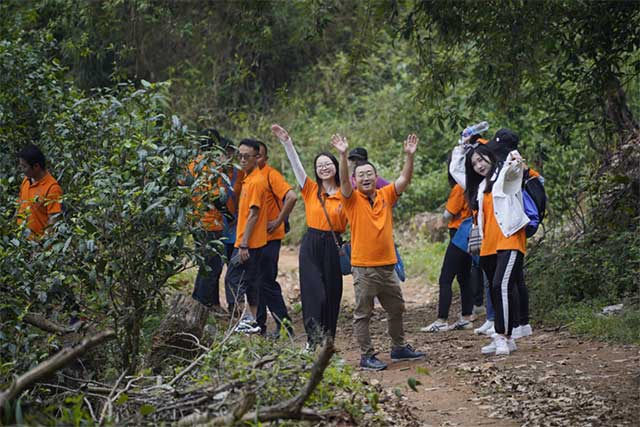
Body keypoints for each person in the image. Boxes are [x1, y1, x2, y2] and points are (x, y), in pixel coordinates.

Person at [332, 133, 426, 371]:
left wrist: (409, 156)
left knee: (396, 309)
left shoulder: (385, 195)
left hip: (388, 266)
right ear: (355, 180)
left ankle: (398, 347)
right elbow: (343, 181)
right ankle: (366, 356)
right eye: (360, 175)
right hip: (364, 268)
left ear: (376, 177)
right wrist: (343, 155)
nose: (365, 177)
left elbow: (404, 179)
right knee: (363, 314)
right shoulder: (351, 200)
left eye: (369, 174)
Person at [450, 136, 529, 356]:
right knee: (499, 291)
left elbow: (515, 171)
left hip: (509, 238)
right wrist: (462, 145)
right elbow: (456, 170)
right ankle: (509, 337)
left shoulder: (504, 174)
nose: (479, 165)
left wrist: (515, 160)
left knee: (499, 286)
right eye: (474, 163)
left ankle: (501, 335)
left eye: (481, 160)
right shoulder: (478, 185)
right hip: (488, 244)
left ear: (490, 157)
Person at [271, 124, 348, 350]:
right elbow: (296, 168)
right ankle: (312, 340)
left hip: (334, 245)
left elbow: (347, 184)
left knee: (332, 295)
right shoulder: (310, 189)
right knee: (315, 292)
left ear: (335, 167)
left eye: (328, 164)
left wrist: (343, 154)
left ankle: (328, 341)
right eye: (320, 165)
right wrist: (287, 142)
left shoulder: (345, 194)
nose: (324, 168)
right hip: (312, 244)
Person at [420, 167, 474, 332]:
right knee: (464, 276)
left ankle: (441, 320)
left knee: (445, 278)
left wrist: (441, 222)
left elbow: (448, 213)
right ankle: (466, 317)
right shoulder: (474, 184)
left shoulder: (460, 187)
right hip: (471, 233)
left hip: (459, 233)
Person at [224, 139, 269, 334]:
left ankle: (244, 320)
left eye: (246, 156)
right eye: (239, 155)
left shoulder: (256, 181)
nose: (242, 159)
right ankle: (250, 321)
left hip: (247, 243)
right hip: (250, 241)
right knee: (250, 282)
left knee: (233, 280)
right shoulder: (248, 178)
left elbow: (254, 214)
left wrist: (243, 244)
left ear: (256, 157)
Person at [255, 140, 297, 337]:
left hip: (270, 237)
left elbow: (291, 197)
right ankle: (260, 324)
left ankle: (284, 324)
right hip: (253, 238)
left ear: (265, 158)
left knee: (267, 281)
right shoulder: (247, 176)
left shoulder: (271, 174)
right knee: (258, 281)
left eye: (259, 155)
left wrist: (278, 221)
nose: (255, 159)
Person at [187, 129, 229, 317]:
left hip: (196, 222)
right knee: (212, 266)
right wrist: (228, 213)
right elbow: (216, 197)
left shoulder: (192, 164)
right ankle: (200, 304)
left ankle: (208, 302)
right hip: (209, 223)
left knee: (208, 264)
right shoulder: (211, 167)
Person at [17, 144, 63, 237]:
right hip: (22, 242)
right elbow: (20, 205)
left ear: (36, 166)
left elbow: (53, 222)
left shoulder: (52, 188)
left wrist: (42, 245)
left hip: (38, 245)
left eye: (24, 166)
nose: (22, 169)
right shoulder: (26, 180)